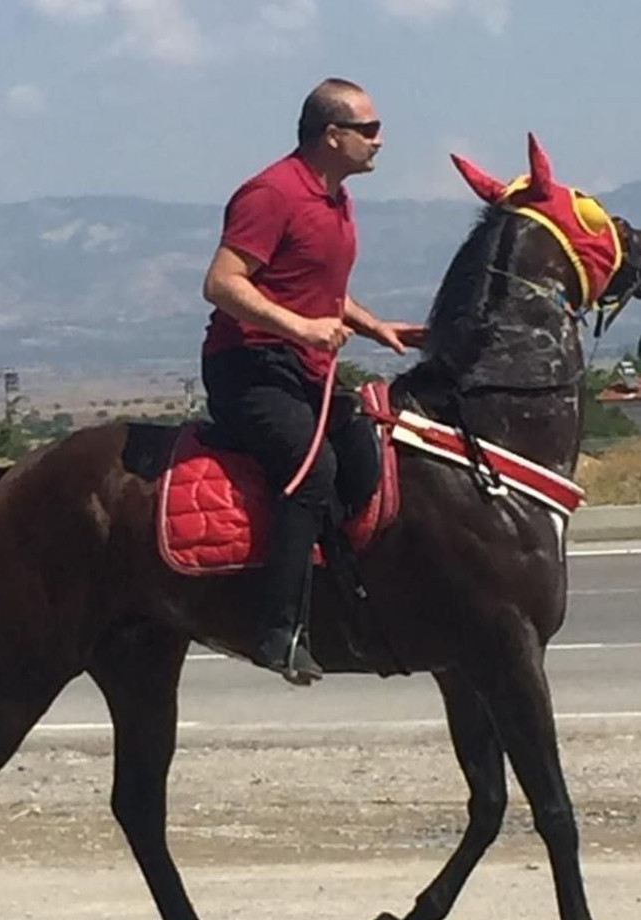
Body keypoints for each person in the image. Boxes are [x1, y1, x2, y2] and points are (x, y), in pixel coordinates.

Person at [201, 77, 423, 684]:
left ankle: (331, 588)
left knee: (363, 456)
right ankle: (278, 629)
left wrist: (376, 327)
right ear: (333, 135)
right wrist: (300, 327)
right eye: (369, 130)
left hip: (303, 366)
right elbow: (223, 283)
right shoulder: (272, 193)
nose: (381, 141)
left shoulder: (334, 197)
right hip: (248, 366)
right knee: (311, 470)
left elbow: (313, 282)